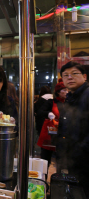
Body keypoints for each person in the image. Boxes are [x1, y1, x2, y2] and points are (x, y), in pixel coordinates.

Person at [56, 61, 89, 196]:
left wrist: (80, 150)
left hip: (84, 160)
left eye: (74, 74)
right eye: (66, 75)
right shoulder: (72, 96)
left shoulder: (87, 95)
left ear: (85, 76)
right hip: (73, 158)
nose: (70, 77)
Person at [36, 79, 67, 169]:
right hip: (49, 135)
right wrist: (48, 113)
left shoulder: (68, 103)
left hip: (62, 136)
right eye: (64, 90)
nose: (66, 92)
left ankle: (59, 180)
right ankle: (44, 179)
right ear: (58, 92)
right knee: (46, 161)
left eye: (67, 90)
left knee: (61, 162)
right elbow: (40, 111)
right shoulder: (50, 102)